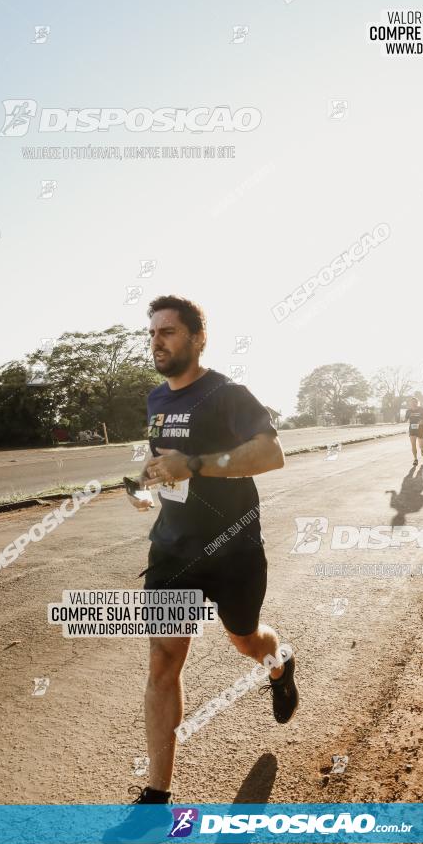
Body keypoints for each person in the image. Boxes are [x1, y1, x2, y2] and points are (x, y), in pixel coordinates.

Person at [121, 296, 298, 808]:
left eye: (169, 331)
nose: (157, 340)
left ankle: (280, 665)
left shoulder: (227, 393)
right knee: (162, 660)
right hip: (174, 550)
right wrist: (142, 482)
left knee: (246, 640)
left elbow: (271, 453)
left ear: (199, 339)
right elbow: (161, 463)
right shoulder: (156, 399)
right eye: (152, 332)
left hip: (233, 549)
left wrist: (194, 465)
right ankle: (158, 793)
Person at [404, 397, 423, 465]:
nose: (413, 403)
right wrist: (404, 420)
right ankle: (415, 459)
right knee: (413, 444)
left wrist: (422, 421)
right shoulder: (408, 411)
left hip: (420, 429)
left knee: (420, 445)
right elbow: (406, 419)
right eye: (412, 402)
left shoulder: (421, 409)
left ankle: (422, 449)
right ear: (410, 403)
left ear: (417, 403)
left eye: (415, 402)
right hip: (412, 429)